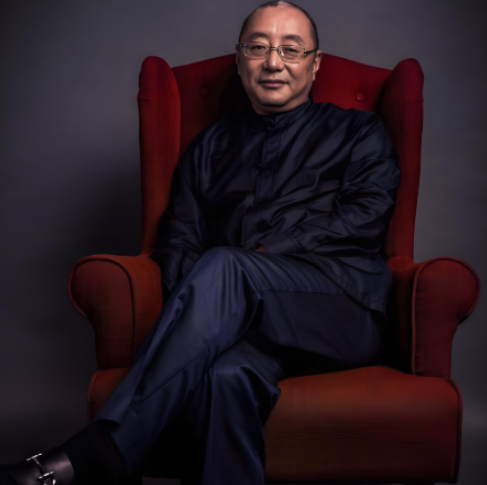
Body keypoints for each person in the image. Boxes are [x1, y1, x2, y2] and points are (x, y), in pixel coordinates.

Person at [0, 2, 401, 485]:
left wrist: (258, 259)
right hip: (242, 323)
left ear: (315, 64)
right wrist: (211, 301)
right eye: (258, 48)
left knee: (228, 267)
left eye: (291, 49)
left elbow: (365, 218)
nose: (273, 62)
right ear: (240, 60)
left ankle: (104, 450)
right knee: (226, 376)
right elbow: (179, 240)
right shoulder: (210, 146)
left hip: (342, 312)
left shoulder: (359, 131)